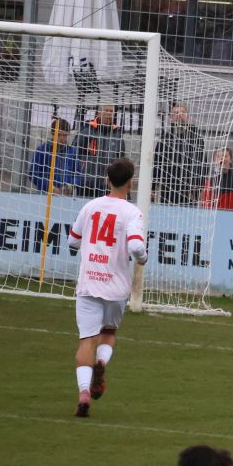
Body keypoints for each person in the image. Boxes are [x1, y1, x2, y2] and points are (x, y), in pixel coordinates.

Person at [67, 158, 148, 418]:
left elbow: (72, 241)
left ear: (107, 180)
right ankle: (101, 362)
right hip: (115, 286)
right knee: (109, 332)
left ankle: (83, 393)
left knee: (86, 339)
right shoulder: (132, 212)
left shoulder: (90, 206)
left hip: (89, 283)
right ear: (130, 182)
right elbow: (136, 246)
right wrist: (143, 258)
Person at [154, 103, 206, 205]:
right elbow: (157, 163)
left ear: (187, 116)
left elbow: (202, 164)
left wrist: (198, 187)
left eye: (182, 112)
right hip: (168, 189)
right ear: (171, 117)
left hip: (189, 191)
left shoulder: (196, 139)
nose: (179, 115)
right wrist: (153, 187)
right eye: (176, 112)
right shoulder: (165, 139)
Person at [73, 104, 125, 199]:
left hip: (108, 184)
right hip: (86, 182)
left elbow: (121, 160)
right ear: (99, 113)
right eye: (106, 110)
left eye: (111, 111)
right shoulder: (86, 131)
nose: (109, 113)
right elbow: (74, 152)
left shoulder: (117, 135)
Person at [30, 118, 81, 195]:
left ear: (68, 134)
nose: (62, 138)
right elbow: (33, 174)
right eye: (59, 135)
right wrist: (51, 188)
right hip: (44, 195)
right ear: (53, 133)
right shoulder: (42, 150)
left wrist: (70, 186)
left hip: (65, 196)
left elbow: (78, 175)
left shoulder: (72, 152)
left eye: (64, 135)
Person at [201, 146, 233, 210]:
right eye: (219, 157)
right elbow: (206, 205)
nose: (222, 159)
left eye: (225, 156)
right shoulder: (211, 180)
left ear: (231, 159)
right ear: (214, 160)